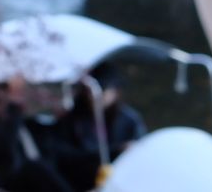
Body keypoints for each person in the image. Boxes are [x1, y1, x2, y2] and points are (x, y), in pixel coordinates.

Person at [48, 62, 147, 191]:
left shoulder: (129, 121)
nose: (94, 97)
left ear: (115, 92)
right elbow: (64, 157)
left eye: (102, 90)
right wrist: (114, 152)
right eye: (90, 91)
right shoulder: (73, 119)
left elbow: (141, 156)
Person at [0, 78, 70, 192]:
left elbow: (54, 140)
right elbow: (4, 149)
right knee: (36, 168)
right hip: (1, 183)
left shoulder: (22, 123)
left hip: (33, 179)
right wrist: (14, 109)